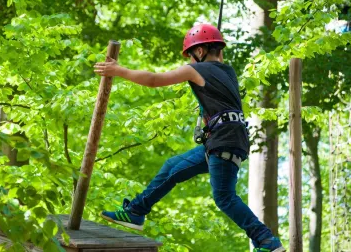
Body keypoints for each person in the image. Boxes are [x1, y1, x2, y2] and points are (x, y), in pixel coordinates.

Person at [93, 24, 285, 252]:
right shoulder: (229, 73)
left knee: (224, 197)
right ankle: (136, 212)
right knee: (172, 167)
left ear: (200, 52)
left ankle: (267, 241)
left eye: (191, 56)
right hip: (223, 140)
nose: (190, 62)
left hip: (223, 141)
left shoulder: (197, 70)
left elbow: (154, 80)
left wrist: (119, 71)